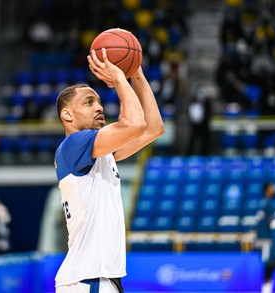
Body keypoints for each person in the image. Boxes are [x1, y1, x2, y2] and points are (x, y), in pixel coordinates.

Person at [54, 48, 165, 292]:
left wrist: (136, 73)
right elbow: (134, 124)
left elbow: (154, 128)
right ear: (67, 115)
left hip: (100, 279)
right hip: (88, 279)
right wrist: (118, 79)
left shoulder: (100, 153)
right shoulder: (74, 144)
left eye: (100, 102)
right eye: (89, 102)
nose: (99, 108)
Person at [187, 87, 212, 156]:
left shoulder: (207, 103)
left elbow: (209, 113)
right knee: (193, 139)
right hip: (195, 125)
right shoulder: (193, 101)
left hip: (204, 125)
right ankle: (190, 154)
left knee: (204, 140)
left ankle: (204, 154)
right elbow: (190, 112)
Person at [255, 182, 275, 257]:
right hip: (267, 236)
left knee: (264, 258)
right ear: (267, 190)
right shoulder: (269, 203)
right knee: (267, 260)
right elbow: (271, 220)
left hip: (261, 236)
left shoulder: (261, 202)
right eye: (272, 188)